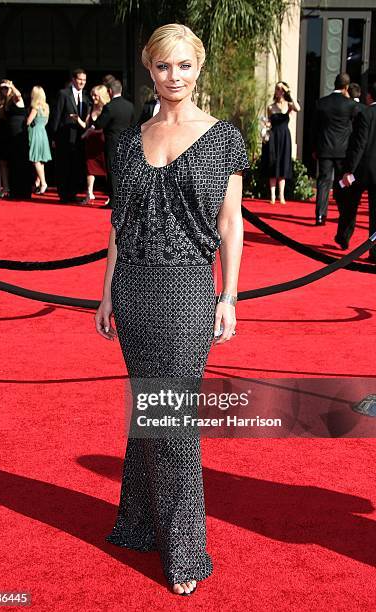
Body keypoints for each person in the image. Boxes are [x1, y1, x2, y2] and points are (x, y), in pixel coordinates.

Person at [94, 23, 249, 596]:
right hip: (133, 289)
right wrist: (108, 291)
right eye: (163, 67)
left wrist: (227, 297)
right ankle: (137, 523)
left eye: (184, 65)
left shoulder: (223, 137)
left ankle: (184, 553)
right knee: (149, 404)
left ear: (198, 68)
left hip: (187, 289)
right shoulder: (129, 140)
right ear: (149, 70)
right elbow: (119, 226)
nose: (173, 77)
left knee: (174, 416)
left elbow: (231, 225)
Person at [336, 81, 376, 262]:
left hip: (362, 170)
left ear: (370, 96)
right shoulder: (365, 112)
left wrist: (349, 169)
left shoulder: (366, 113)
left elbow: (359, 144)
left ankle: (344, 236)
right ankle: (374, 251)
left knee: (350, 204)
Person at [313, 72, 358, 225]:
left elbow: (315, 129)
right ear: (346, 87)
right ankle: (342, 213)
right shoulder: (351, 105)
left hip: (324, 149)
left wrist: (315, 148)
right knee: (341, 183)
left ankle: (320, 216)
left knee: (323, 182)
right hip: (343, 151)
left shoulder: (321, 103)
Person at [49, 69, 91, 203]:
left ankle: (72, 193)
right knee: (64, 166)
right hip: (64, 137)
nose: (82, 82)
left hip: (79, 138)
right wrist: (53, 137)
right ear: (73, 79)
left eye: (84, 80)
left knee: (76, 167)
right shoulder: (63, 94)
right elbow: (56, 116)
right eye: (80, 79)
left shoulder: (86, 97)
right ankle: (63, 195)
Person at [92, 78, 135, 202]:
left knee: (113, 172)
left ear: (110, 91)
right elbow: (133, 124)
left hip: (112, 143)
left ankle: (114, 200)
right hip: (126, 143)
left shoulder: (109, 107)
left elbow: (100, 124)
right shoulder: (130, 106)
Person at [262, 81, 300, 205]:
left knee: (283, 163)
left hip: (284, 137)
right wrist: (265, 126)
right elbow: (268, 122)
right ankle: (272, 196)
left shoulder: (288, 105)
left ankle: (281, 195)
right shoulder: (270, 107)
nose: (279, 91)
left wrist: (289, 93)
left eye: (281, 89)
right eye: (277, 88)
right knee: (273, 164)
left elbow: (298, 108)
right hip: (273, 137)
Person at [1, 80, 33, 200]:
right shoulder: (6, 102)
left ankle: (23, 192)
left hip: (19, 136)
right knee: (14, 163)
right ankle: (16, 191)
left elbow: (18, 95)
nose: (4, 90)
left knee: (21, 163)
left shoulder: (17, 100)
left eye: (6, 88)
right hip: (12, 137)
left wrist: (12, 86)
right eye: (2, 88)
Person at [81, 85, 110, 204]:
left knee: (106, 168)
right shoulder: (91, 107)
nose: (93, 97)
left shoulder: (107, 108)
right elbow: (86, 125)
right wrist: (77, 119)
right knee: (90, 168)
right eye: (92, 95)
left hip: (102, 142)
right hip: (91, 142)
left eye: (96, 95)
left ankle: (110, 195)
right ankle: (89, 193)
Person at [27, 86, 52, 194]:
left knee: (35, 159)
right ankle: (38, 182)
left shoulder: (35, 107)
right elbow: (46, 122)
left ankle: (43, 182)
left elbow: (28, 121)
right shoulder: (46, 107)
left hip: (35, 132)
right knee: (40, 159)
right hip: (43, 132)